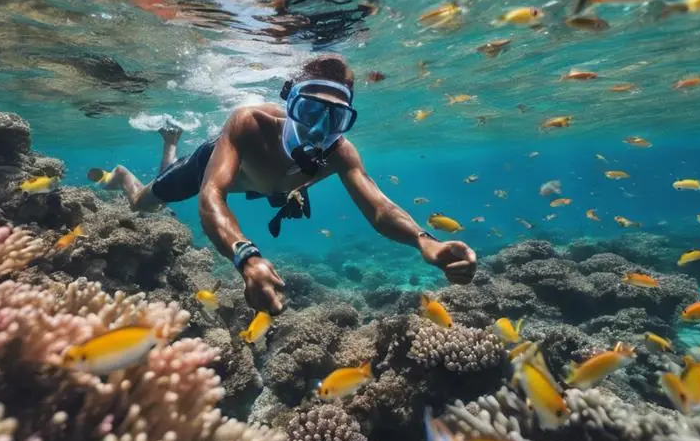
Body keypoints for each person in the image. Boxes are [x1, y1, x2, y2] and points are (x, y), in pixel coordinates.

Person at [88, 54, 477, 314]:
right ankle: (140, 166)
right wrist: (247, 258)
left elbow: (379, 208)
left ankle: (169, 151)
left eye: (335, 118)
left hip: (270, 186)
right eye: (309, 110)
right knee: (144, 203)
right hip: (213, 167)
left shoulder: (340, 152)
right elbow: (212, 195)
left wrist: (426, 241)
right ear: (289, 102)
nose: (319, 130)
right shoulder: (249, 122)